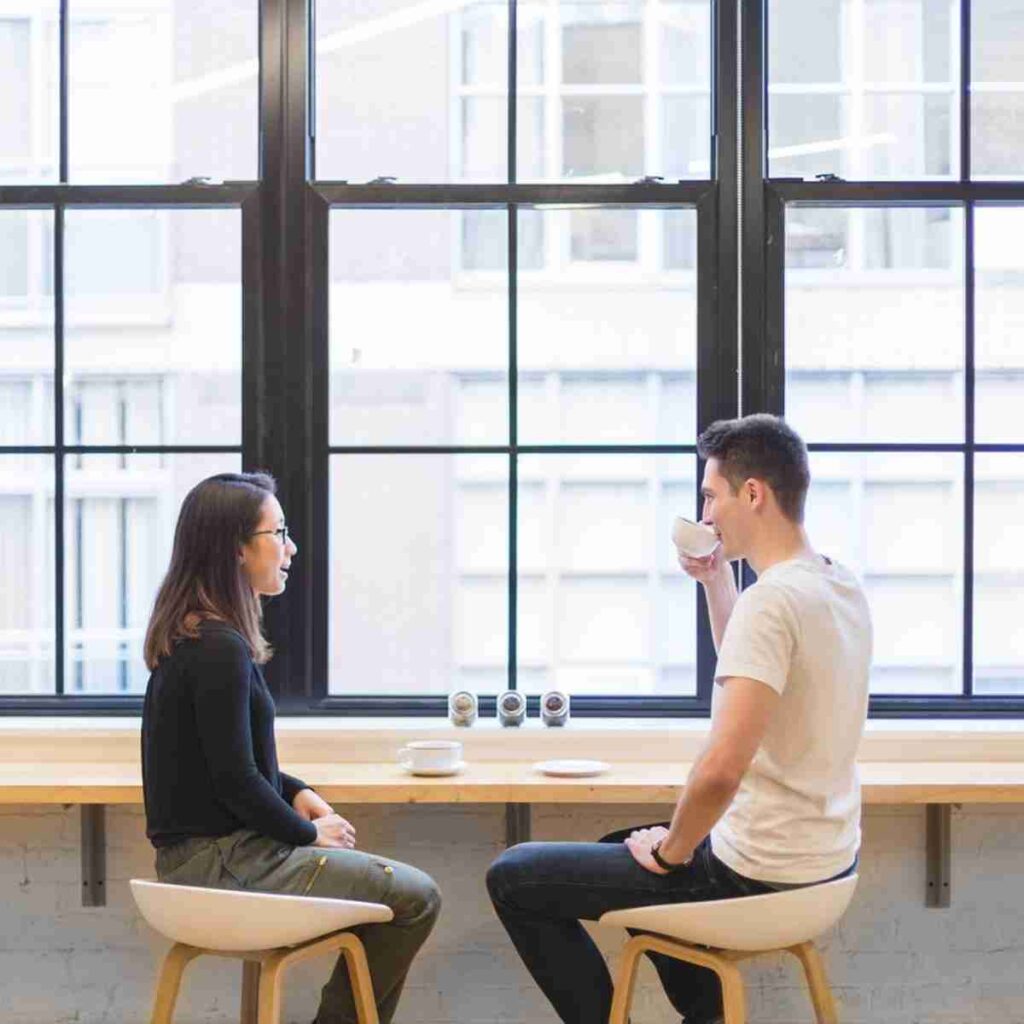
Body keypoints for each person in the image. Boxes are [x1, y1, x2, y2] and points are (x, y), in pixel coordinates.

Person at [487, 414, 872, 1024]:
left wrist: (672, 853)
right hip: (824, 863)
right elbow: (757, 673)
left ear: (753, 494)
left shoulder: (772, 601)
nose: (707, 514)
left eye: (710, 495)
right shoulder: (835, 583)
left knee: (514, 877)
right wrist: (718, 581)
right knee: (620, 848)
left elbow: (720, 772)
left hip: (757, 873)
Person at [141, 472, 440, 1024]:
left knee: (381, 891)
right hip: (221, 865)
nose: (291, 547)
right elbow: (235, 782)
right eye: (278, 532)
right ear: (237, 548)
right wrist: (306, 834)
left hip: (204, 861)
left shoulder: (197, 636)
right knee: (417, 897)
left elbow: (229, 764)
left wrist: (297, 791)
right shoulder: (218, 650)